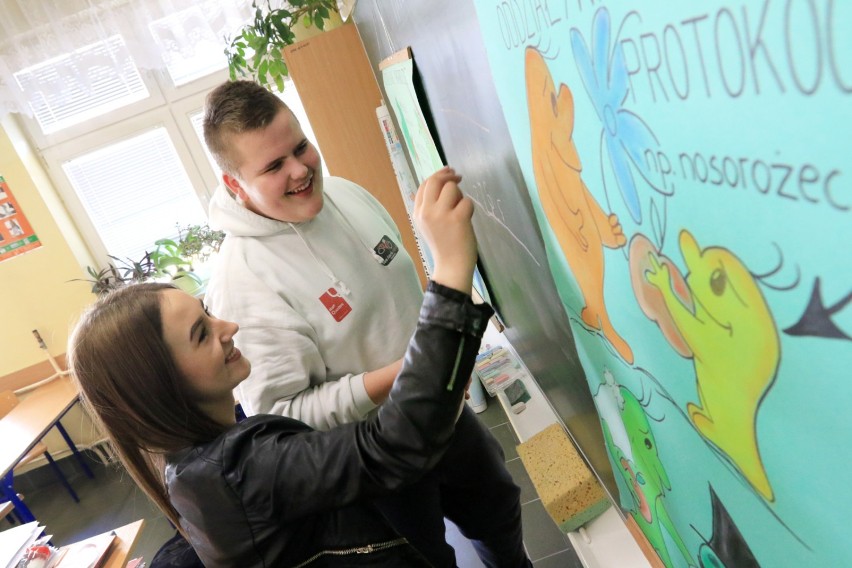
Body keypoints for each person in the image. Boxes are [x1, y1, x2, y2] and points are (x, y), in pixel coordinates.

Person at [69, 171, 499, 567]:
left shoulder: (209, 463)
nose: (229, 326)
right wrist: (451, 267)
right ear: (160, 385)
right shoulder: (239, 471)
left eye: (207, 313)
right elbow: (397, 443)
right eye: (201, 333)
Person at [203, 80, 527, 567]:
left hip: (443, 415)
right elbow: (285, 420)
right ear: (234, 184)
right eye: (273, 167)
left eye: (300, 147)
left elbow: (400, 291)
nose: (299, 170)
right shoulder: (242, 283)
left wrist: (438, 373)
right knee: (429, 560)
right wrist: (413, 373)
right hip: (374, 465)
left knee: (499, 516)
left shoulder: (346, 194)